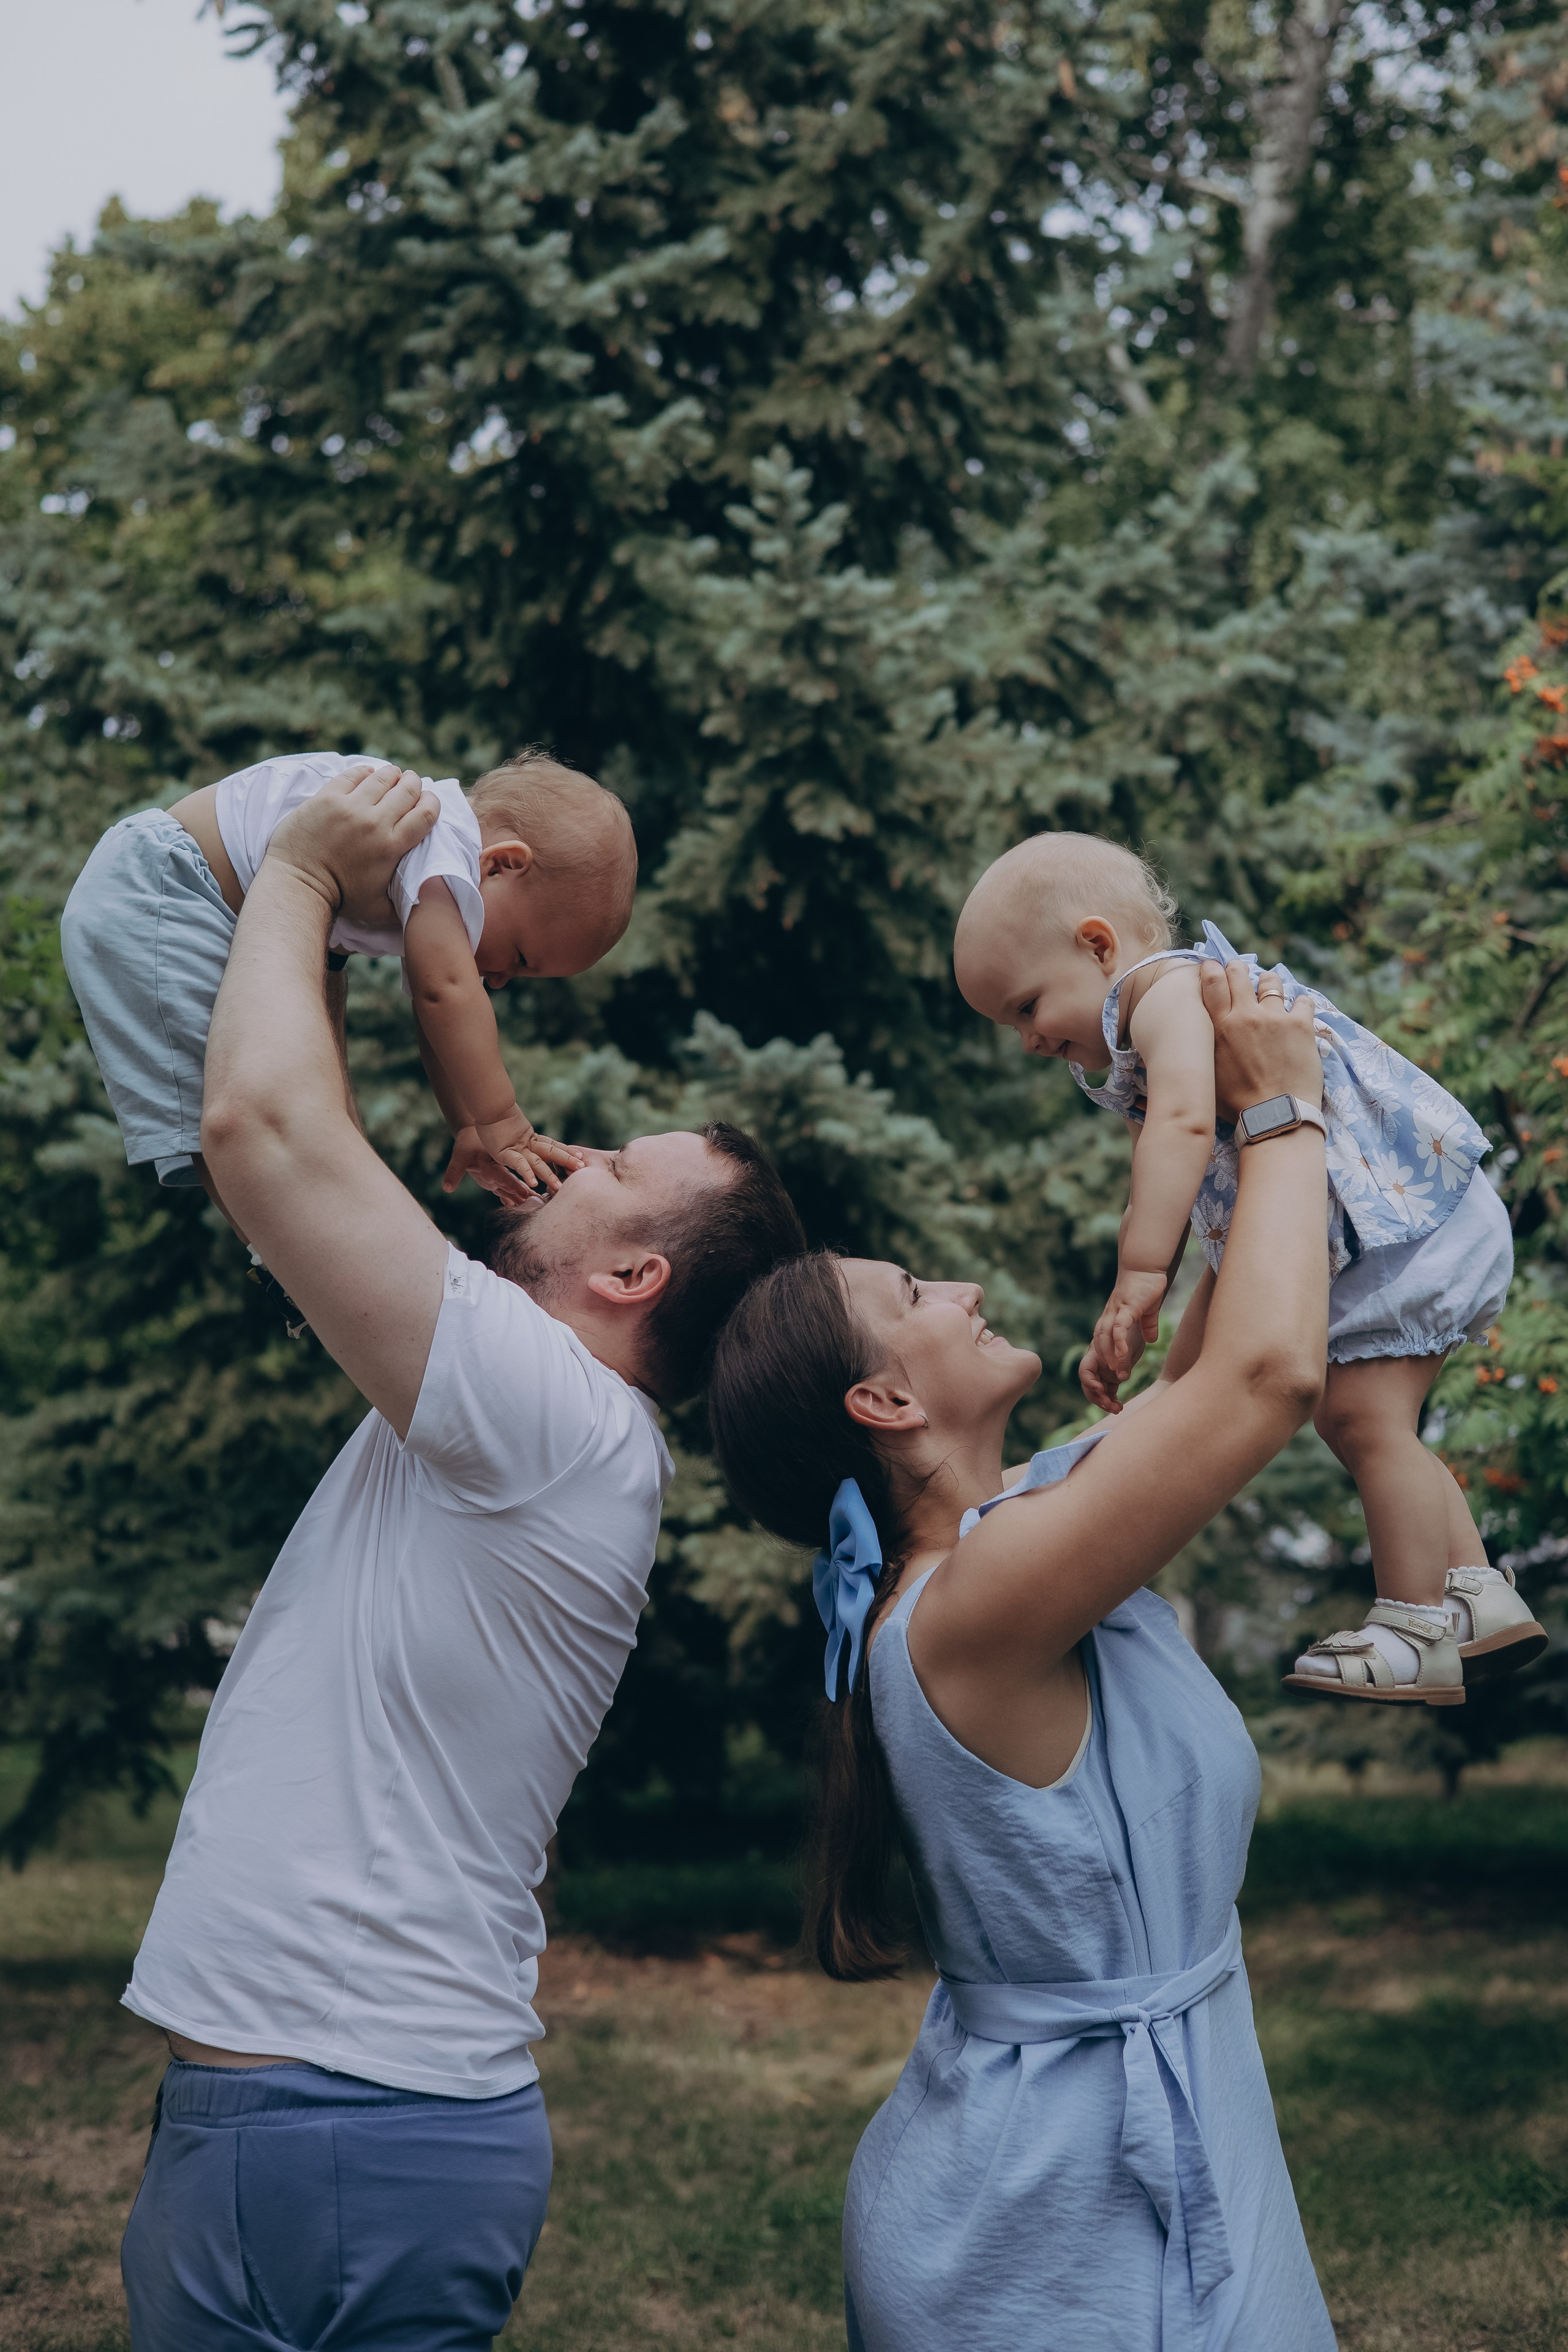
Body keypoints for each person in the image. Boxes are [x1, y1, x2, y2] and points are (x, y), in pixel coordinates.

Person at [116, 764, 805, 2352]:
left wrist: (295, 869)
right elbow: (313, 1146)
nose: (565, 1154)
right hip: (338, 2113)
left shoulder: (551, 1403)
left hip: (336, 2122)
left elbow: (261, 1125)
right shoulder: (538, 1415)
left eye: (615, 1168)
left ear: (634, 1272)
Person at [707, 963, 1347, 2352]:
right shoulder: (971, 1599)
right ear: (880, 1397)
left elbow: (1211, 1362)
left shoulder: (1020, 1529)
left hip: (1114, 2156)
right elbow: (1265, 1379)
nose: (964, 1285)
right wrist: (1286, 1107)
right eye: (917, 1289)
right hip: (1049, 2231)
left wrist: (1216, 1097)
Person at [952, 831, 1544, 1707]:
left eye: (1027, 1006)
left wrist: (1141, 1276)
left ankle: (1414, 1624)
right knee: (1374, 1421)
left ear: (1099, 944)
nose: (1028, 1039)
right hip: (1407, 1222)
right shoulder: (1131, 1043)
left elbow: (1187, 1128)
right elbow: (1174, 1178)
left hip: (1409, 1223)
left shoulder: (1162, 993)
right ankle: (1476, 1595)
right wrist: (1144, 1319)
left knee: (1361, 1418)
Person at [61, 744, 638, 1232]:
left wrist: (466, 1122)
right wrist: (504, 1119)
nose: (503, 979)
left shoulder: (440, 865)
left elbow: (432, 1007)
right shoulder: (444, 850)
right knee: (220, 1104)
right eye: (519, 957)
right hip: (165, 889)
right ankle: (285, 1251)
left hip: (184, 893)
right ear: (502, 864)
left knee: (256, 1094)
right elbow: (445, 993)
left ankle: (290, 1244)